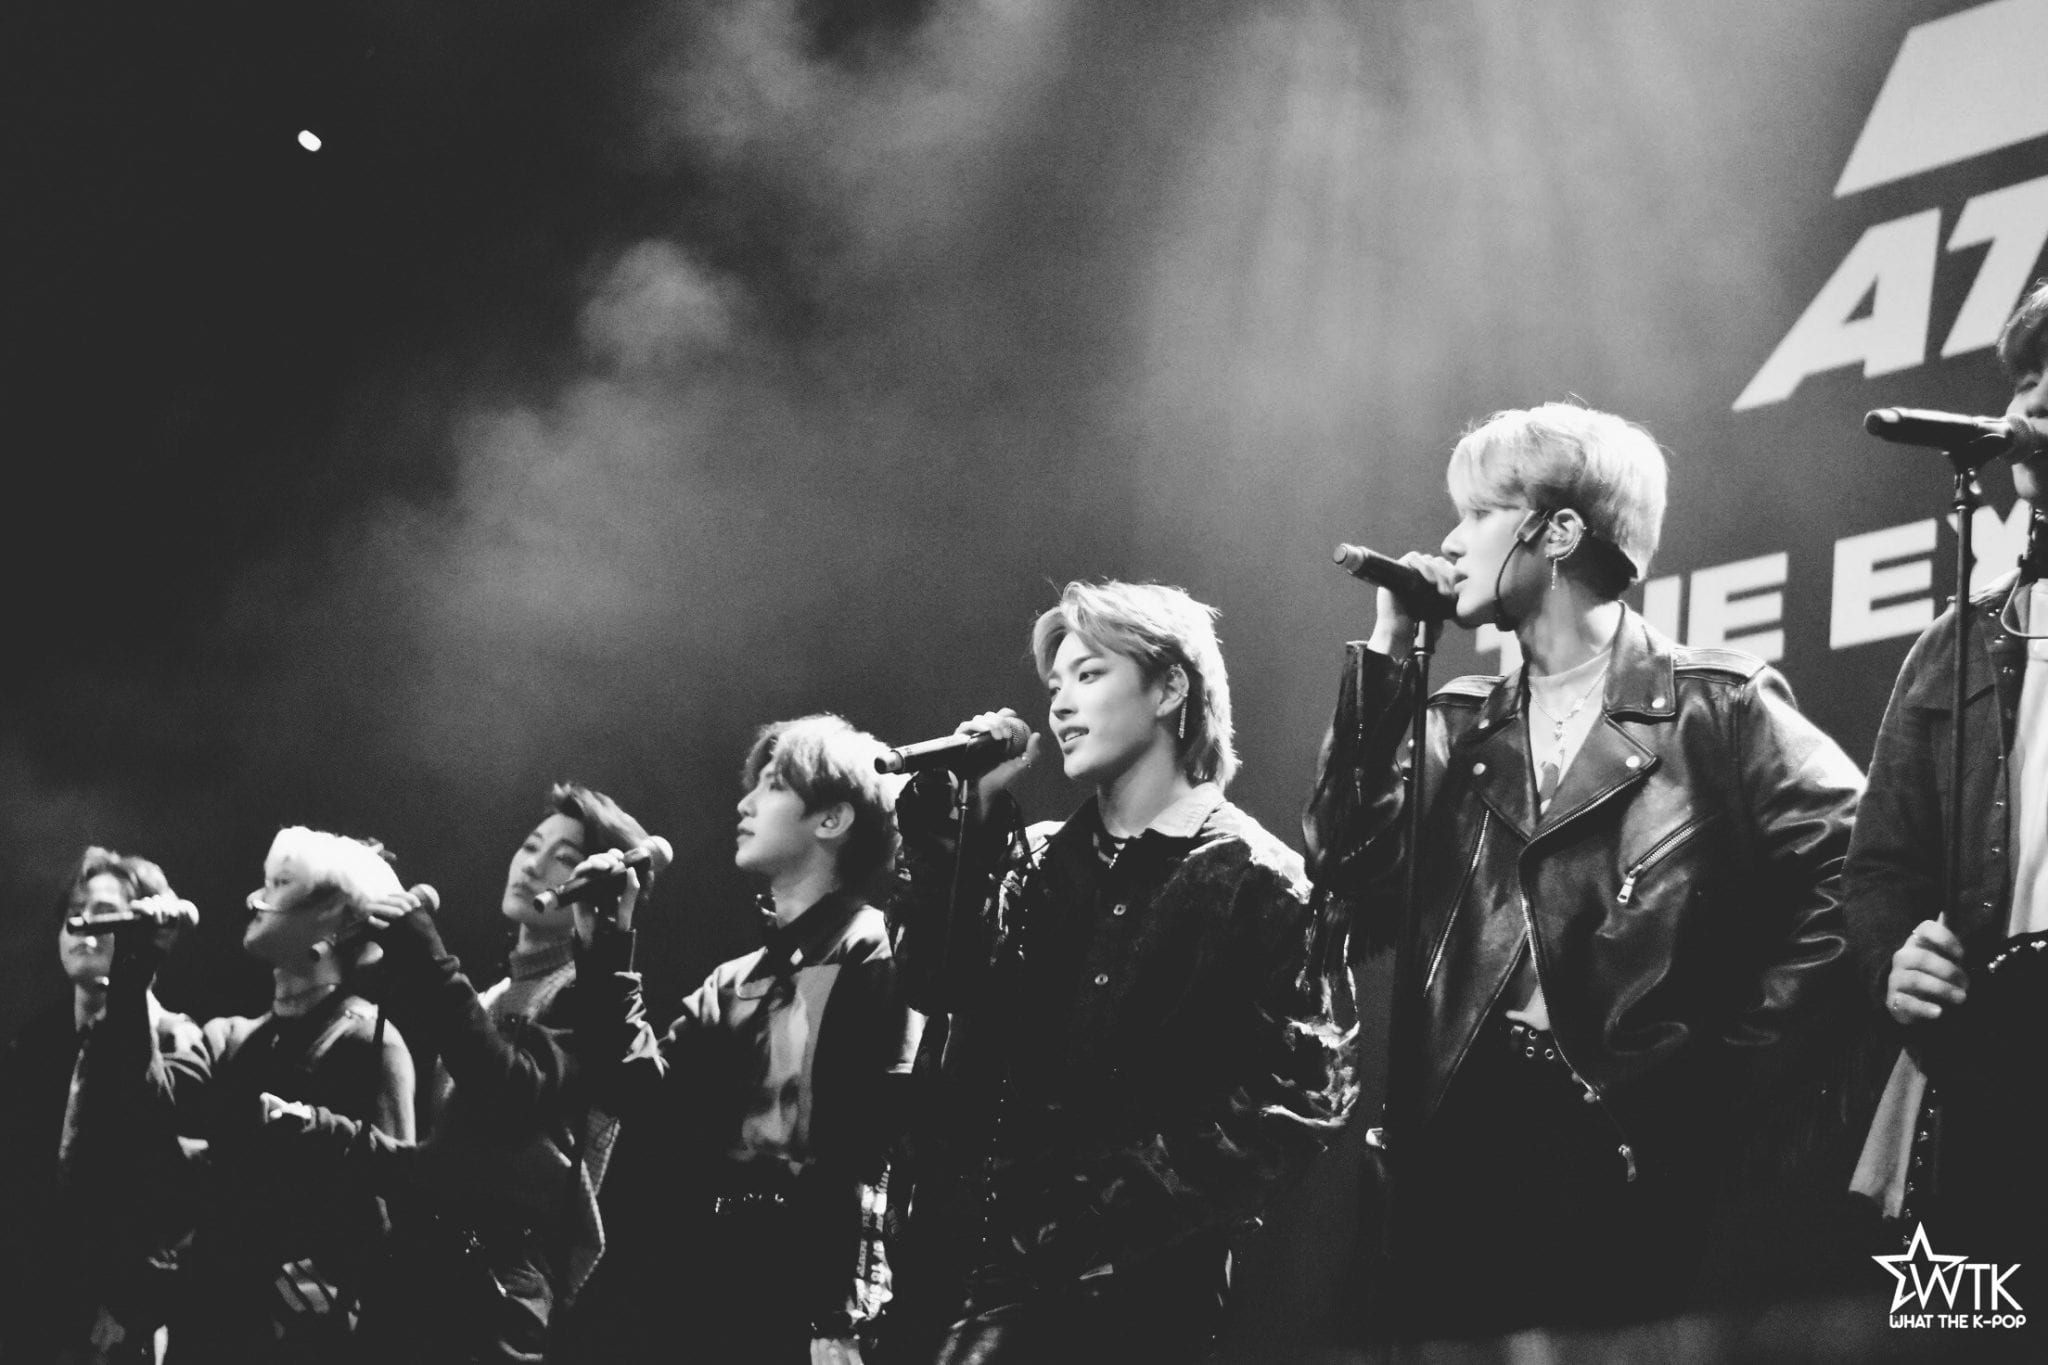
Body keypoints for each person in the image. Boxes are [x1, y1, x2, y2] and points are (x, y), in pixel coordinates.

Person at [1305, 401, 1862, 1338]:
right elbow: (1343, 863)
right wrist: (1391, 649)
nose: (1451, 539)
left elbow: (1855, 875)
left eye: (1479, 512)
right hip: (1455, 1143)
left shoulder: (1716, 707)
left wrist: (1719, 1080)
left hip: (1621, 1140)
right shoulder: (1452, 722)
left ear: (1558, 531)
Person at [890, 579, 1357, 1364]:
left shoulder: (1260, 878)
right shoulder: (1034, 860)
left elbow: (1304, 1091)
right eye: (1054, 685)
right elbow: (937, 983)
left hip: (1147, 1287)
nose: (1060, 705)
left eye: (1089, 674)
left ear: (1170, 688)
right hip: (981, 1269)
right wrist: (965, 829)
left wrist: (1110, 1215)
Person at [260, 782, 657, 1364]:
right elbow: (448, 1170)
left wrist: (427, 958)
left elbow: (509, 1096)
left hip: (495, 1292)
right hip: (434, 1270)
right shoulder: (494, 997)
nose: (533, 865)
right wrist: (323, 1129)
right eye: (531, 846)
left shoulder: (586, 1000)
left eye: (565, 858)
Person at [572, 714, 921, 1363]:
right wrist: (607, 948)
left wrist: (844, 1315)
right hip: (719, 1293)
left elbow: (888, 1143)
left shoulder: (873, 949)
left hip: (823, 1305)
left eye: (774, 784)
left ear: (832, 818)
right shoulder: (732, 981)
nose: (745, 802)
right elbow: (641, 1096)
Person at [1845, 280, 2048, 1280]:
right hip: (1992, 1054)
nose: (2035, 400)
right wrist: (1897, 958)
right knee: (1981, 1330)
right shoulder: (1955, 644)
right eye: (2027, 376)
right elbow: (1879, 865)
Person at [79, 827, 418, 1363]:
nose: (255, 898)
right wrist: (134, 970)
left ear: (330, 917)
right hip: (211, 1330)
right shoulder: (233, 1038)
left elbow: (390, 1211)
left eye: (280, 884)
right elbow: (143, 1108)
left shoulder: (365, 1042)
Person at [0, 847, 201, 1364]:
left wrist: (131, 1304)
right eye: (75, 912)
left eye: (106, 915)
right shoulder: (35, 1044)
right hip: (33, 1306)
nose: (84, 928)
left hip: (118, 1318)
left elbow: (176, 1194)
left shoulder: (177, 1043)